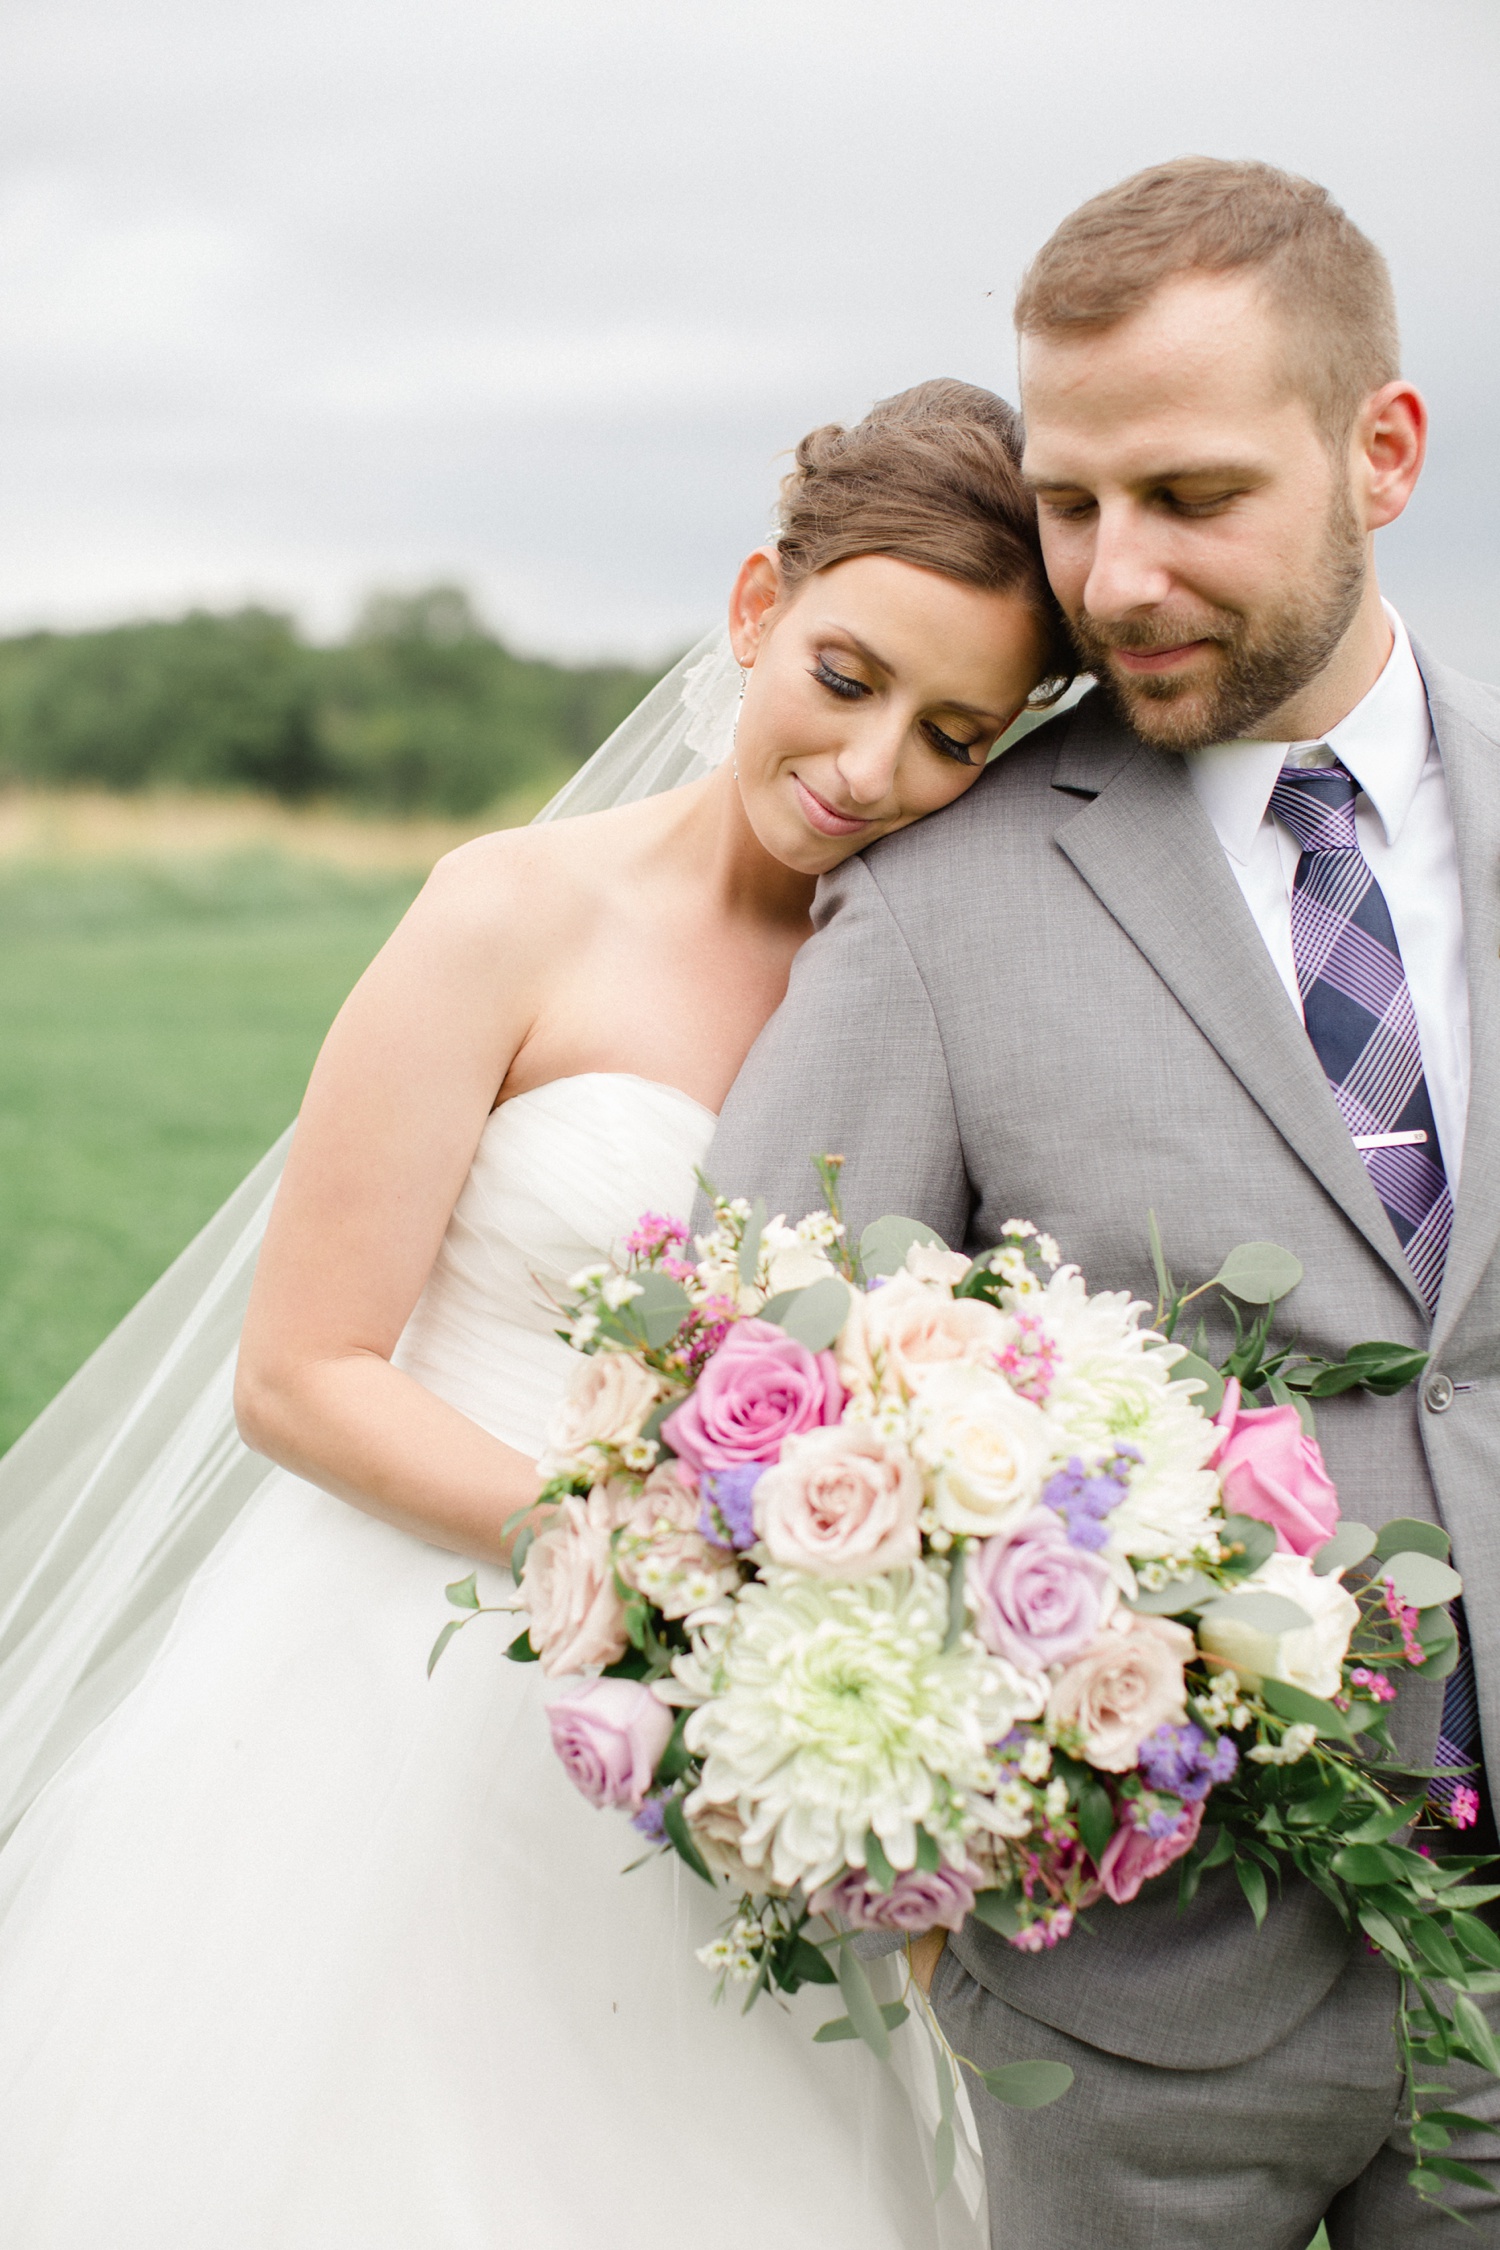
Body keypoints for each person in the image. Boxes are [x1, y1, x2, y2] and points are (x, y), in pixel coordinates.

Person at [0, 380, 1066, 2249]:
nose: (874, 764)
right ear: (753, 605)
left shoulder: (919, 985)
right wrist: (641, 1571)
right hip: (402, 1676)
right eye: (844, 673)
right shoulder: (506, 914)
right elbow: (300, 1370)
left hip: (743, 1745)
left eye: (953, 733)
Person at [705, 159, 1500, 2248]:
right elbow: (748, 1401)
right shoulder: (933, 909)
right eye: (1072, 505)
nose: (1117, 577)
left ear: (1382, 451)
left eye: (1191, 497)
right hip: (1145, 2032)